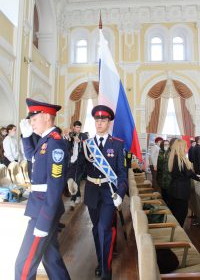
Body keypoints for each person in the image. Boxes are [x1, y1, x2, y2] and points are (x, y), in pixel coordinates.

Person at [68, 105, 128, 280]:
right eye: (97, 120)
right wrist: (72, 178)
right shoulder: (87, 145)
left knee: (104, 228)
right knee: (96, 230)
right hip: (92, 192)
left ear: (109, 123)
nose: (99, 122)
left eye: (103, 120)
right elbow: (79, 165)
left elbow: (122, 174)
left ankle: (105, 269)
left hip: (109, 193)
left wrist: (121, 193)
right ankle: (101, 260)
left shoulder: (117, 145)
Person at [15, 98, 71, 280]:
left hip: (43, 212)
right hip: (41, 207)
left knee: (23, 266)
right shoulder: (45, 141)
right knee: (51, 259)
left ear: (47, 117)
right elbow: (33, 157)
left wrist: (43, 222)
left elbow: (55, 187)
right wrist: (25, 137)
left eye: (34, 119)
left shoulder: (55, 143)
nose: (32, 124)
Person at [168, 139, 200, 227]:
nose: (187, 148)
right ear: (181, 148)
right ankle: (178, 235)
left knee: (176, 213)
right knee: (181, 214)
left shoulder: (173, 158)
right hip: (181, 191)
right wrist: (198, 177)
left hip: (174, 189)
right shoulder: (181, 160)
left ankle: (175, 232)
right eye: (185, 146)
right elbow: (190, 173)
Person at [65, 120, 88, 209]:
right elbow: (66, 148)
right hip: (72, 162)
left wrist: (80, 142)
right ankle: (78, 195)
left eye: (79, 127)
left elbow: (87, 147)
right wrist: (68, 138)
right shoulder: (71, 135)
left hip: (81, 163)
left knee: (76, 180)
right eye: (77, 127)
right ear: (73, 127)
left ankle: (72, 200)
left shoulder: (84, 136)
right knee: (71, 179)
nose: (78, 129)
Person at [156, 140, 171, 206]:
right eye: (165, 144)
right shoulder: (160, 152)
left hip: (168, 177)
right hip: (161, 176)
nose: (166, 146)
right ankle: (165, 206)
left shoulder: (170, 153)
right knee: (163, 193)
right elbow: (158, 164)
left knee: (168, 194)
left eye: (168, 144)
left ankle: (168, 207)